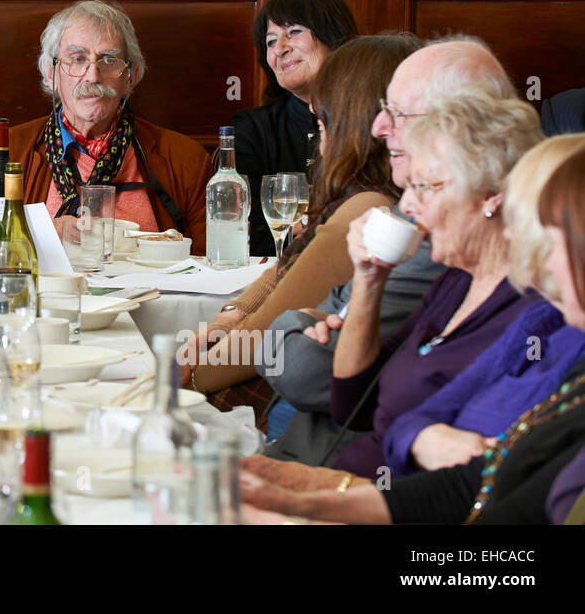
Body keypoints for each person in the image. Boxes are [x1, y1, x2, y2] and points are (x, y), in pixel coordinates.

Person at [241, 150, 585, 525]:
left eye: (550, 238)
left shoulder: (536, 313)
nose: (538, 258)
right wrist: (304, 500)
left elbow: (492, 487)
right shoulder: (479, 293)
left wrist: (320, 493)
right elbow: (455, 464)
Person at [243, 89, 544, 491]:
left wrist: (316, 496)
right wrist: (368, 279)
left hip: (361, 498)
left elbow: (475, 473)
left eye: (425, 188)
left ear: (491, 197)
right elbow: (352, 400)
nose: (410, 208)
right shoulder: (454, 283)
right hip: (325, 481)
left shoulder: (531, 312)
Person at [182, 35, 421, 403]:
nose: (315, 114)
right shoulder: (365, 194)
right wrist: (231, 315)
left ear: (355, 115)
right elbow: (284, 274)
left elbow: (261, 341)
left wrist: (189, 379)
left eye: (327, 103)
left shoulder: (367, 209)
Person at [0, 0, 211, 248]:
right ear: (50, 73)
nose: (93, 76)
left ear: (131, 75)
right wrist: (43, 235)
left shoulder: (186, 161)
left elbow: (207, 266)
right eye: (77, 59)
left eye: (109, 60)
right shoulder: (2, 156)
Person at [232, 0, 357, 255]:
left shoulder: (374, 121)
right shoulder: (251, 130)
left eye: (294, 32)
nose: (280, 49)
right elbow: (246, 237)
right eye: (271, 41)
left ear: (334, 36)